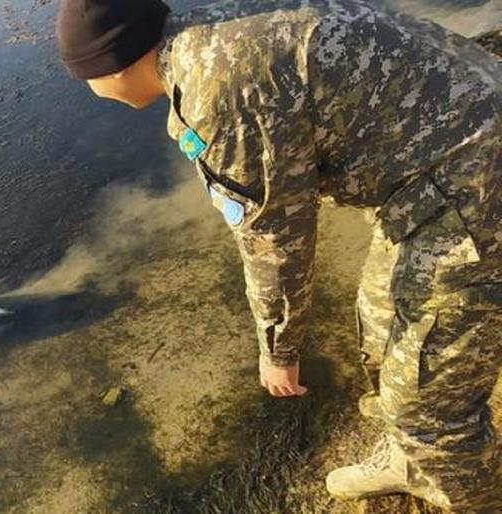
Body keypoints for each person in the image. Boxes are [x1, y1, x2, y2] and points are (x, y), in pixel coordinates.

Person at [54, 0, 502, 510]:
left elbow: (275, 242)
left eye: (87, 78)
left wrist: (279, 350)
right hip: (445, 156)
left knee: (428, 403)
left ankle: (464, 486)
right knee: (380, 326)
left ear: (114, 65)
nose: (94, 92)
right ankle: (409, 458)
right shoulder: (207, 24)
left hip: (476, 187)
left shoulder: (218, 92)